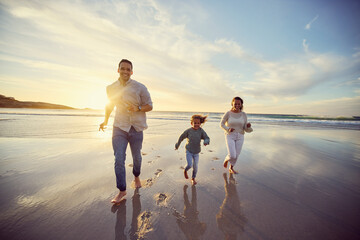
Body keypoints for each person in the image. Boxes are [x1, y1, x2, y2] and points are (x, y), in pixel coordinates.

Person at [99, 59, 153, 204]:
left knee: (137, 158)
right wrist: (105, 120)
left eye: (128, 69)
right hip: (119, 127)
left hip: (136, 128)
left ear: (131, 72)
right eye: (122, 68)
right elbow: (109, 106)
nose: (125, 71)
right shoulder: (110, 88)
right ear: (118, 70)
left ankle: (136, 176)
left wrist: (138, 109)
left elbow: (150, 106)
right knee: (118, 159)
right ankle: (122, 191)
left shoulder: (140, 87)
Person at [220, 97, 252, 174]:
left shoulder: (243, 114)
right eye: (235, 104)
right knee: (232, 155)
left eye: (239, 104)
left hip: (240, 136)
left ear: (241, 105)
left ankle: (231, 168)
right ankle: (226, 159)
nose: (237, 105)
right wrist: (228, 129)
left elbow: (244, 127)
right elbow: (221, 124)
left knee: (237, 154)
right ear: (232, 104)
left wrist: (248, 126)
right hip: (230, 135)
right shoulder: (228, 113)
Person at [175, 114, 210, 185]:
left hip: (196, 152)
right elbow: (181, 137)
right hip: (189, 151)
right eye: (195, 123)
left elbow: (206, 137)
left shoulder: (201, 131)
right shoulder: (188, 131)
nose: (196, 124)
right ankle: (185, 170)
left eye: (198, 123)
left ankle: (193, 178)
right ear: (191, 123)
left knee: (195, 167)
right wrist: (177, 145)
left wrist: (206, 142)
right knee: (190, 165)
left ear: (200, 123)